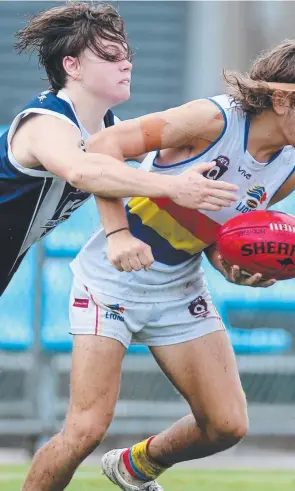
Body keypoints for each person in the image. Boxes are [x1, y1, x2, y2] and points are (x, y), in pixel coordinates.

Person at [22, 40, 295, 491]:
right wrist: (117, 234)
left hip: (179, 288)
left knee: (226, 425)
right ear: (282, 99)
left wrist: (234, 267)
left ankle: (134, 467)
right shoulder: (213, 120)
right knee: (85, 430)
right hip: (111, 283)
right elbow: (103, 145)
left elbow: (218, 239)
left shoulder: (289, 169)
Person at [0, 2, 239, 297]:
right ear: (71, 65)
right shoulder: (46, 123)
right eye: (111, 56)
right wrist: (174, 186)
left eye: (126, 56)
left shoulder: (107, 129)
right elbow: (82, 171)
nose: (127, 64)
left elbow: (181, 159)